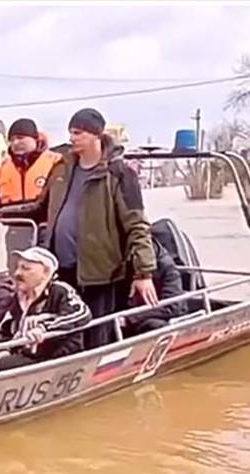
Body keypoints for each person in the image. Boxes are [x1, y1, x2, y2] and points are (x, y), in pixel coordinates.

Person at [36, 107, 158, 349]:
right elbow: (39, 207)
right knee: (64, 335)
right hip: (63, 270)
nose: (71, 138)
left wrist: (143, 273)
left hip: (102, 272)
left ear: (96, 135)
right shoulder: (61, 168)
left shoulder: (120, 174)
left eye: (78, 132)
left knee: (97, 338)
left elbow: (137, 224)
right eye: (70, 132)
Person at [0, 118, 63, 271]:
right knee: (17, 274)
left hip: (48, 232)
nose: (15, 143)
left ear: (35, 139)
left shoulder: (55, 163)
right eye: (12, 139)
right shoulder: (2, 171)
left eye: (20, 138)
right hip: (16, 232)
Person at [0, 247, 91, 370]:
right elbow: (4, 330)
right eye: (18, 267)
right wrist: (3, 350)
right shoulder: (16, 297)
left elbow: (82, 314)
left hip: (58, 359)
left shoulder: (60, 290)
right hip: (26, 356)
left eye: (26, 268)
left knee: (4, 365)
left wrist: (44, 328)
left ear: (45, 273)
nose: (17, 273)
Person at [122, 239, 186, 337]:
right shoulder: (123, 266)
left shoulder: (167, 268)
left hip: (158, 318)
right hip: (129, 316)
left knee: (155, 326)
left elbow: (173, 307)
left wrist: (130, 318)